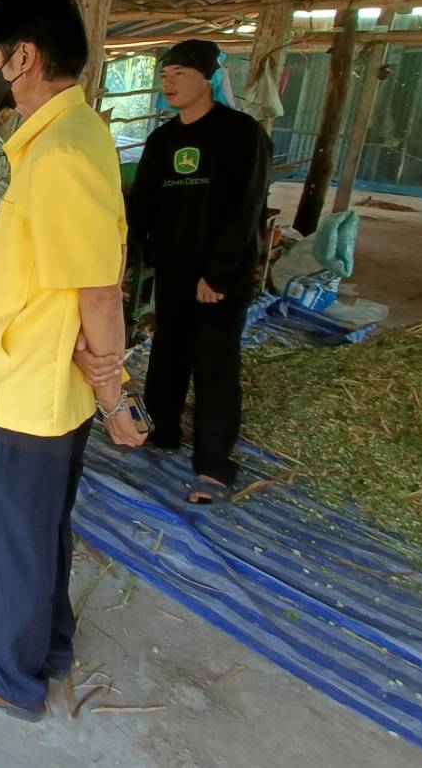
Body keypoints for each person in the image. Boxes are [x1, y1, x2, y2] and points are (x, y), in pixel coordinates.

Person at [0, 0, 146, 722]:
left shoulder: (60, 154)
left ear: (22, 57)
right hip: (35, 384)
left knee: (1, 542)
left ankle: (7, 679)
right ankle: (46, 648)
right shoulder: (72, 138)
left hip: (21, 392)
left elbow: (99, 293)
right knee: (36, 527)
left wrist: (118, 399)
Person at [127, 39, 271, 503]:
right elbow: (142, 208)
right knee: (167, 354)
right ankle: (162, 431)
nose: (169, 83)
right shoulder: (162, 140)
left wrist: (221, 274)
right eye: (165, 75)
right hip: (173, 271)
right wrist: (126, 261)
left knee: (214, 365)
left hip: (218, 278)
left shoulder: (240, 134)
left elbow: (245, 209)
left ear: (208, 80)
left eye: (180, 75)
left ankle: (214, 465)